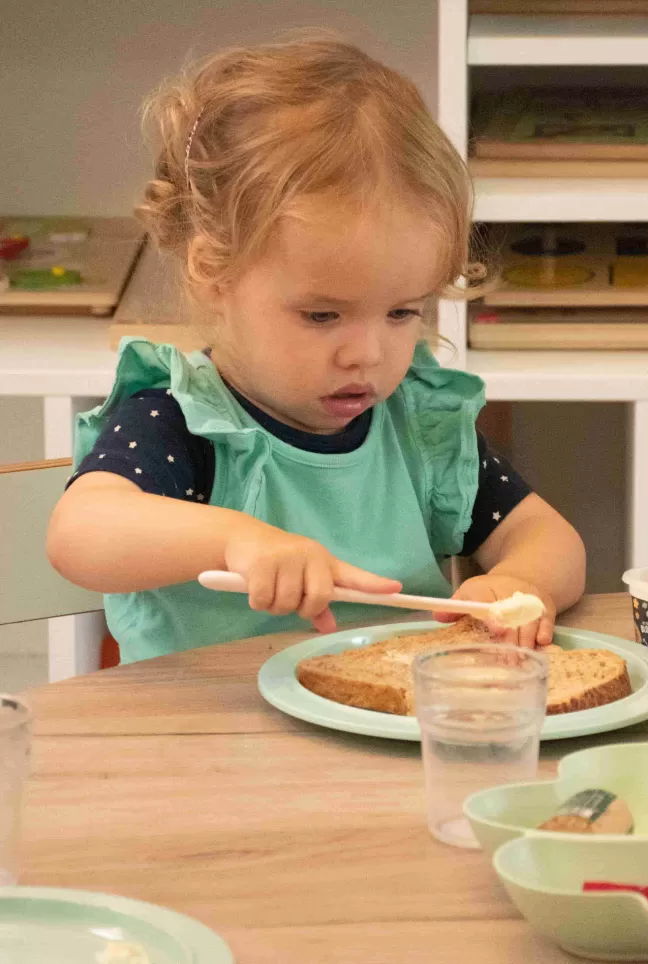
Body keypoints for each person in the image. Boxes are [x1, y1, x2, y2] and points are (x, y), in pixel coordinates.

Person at [47, 34, 585, 664]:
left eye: (402, 311)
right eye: (322, 314)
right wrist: (237, 540)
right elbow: (79, 534)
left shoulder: (419, 428)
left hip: (391, 738)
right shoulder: (186, 423)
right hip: (205, 744)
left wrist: (523, 581)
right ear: (214, 273)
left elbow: (545, 533)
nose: (366, 354)